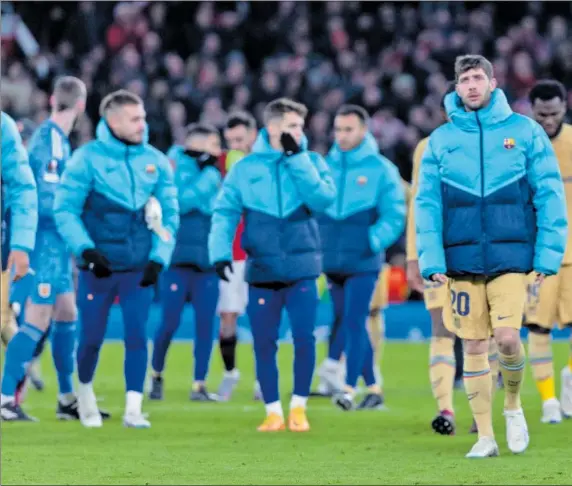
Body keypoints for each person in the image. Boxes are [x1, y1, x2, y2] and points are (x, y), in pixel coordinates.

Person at [415, 54, 567, 458]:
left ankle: (513, 406)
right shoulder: (441, 142)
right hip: (461, 261)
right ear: (457, 86)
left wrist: (547, 256)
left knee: (507, 339)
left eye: (478, 77)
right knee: (475, 347)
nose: (471, 85)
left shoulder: (524, 131)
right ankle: (486, 436)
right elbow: (427, 205)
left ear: (492, 82)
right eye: (465, 79)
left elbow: (550, 195)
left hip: (512, 258)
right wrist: (430, 260)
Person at [209, 97, 336, 431]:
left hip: (303, 267)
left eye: (299, 126)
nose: (297, 131)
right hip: (262, 268)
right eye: (290, 126)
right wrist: (219, 252)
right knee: (264, 342)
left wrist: (297, 159)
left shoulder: (312, 162)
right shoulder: (245, 169)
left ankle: (298, 408)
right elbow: (224, 213)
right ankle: (273, 411)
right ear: (271, 127)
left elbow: (323, 200)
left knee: (304, 338)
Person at [54, 90, 180, 428]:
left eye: (143, 117)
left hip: (138, 267)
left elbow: (170, 214)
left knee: (138, 335)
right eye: (134, 119)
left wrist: (159, 257)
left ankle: (133, 410)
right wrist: (86, 250)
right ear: (113, 121)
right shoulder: (86, 159)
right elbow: (65, 209)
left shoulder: (155, 161)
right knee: (91, 337)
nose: (143, 124)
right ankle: (84, 397)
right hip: (99, 267)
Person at [407, 83, 499, 436]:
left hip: (482, 253)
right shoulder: (427, 147)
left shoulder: (495, 143)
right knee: (442, 329)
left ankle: (481, 412)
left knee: (484, 335)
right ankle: (446, 408)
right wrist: (415, 256)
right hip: (439, 253)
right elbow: (421, 204)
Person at [316, 104, 405, 411]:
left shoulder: (381, 169)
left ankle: (349, 388)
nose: (341, 135)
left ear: (363, 131)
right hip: (332, 261)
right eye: (338, 129)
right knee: (345, 321)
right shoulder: (325, 165)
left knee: (355, 320)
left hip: (363, 261)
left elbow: (395, 215)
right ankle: (374, 388)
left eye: (348, 129)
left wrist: (370, 241)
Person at [149, 123, 222, 402]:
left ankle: (199, 385)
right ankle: (156, 375)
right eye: (211, 145)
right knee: (169, 322)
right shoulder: (173, 166)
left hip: (206, 262)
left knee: (206, 325)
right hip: (177, 259)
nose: (215, 151)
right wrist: (207, 177)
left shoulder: (212, 172)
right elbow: (179, 201)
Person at [524, 79, 572, 423]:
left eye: (554, 114)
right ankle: (549, 402)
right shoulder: (521, 145)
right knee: (538, 329)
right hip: (538, 256)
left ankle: (568, 380)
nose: (548, 121)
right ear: (532, 111)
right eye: (542, 114)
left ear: (564, 109)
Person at [216, 111, 258, 401]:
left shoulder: (266, 163)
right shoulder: (219, 163)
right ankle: (230, 373)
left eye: (240, 139)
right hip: (231, 253)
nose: (235, 146)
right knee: (227, 317)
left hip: (258, 252)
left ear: (253, 136)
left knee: (260, 317)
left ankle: (261, 379)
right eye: (230, 141)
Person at [0, 112, 38, 421]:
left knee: (2, 319)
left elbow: (23, 186)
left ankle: (11, 387)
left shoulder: (2, 125)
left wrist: (21, 242)